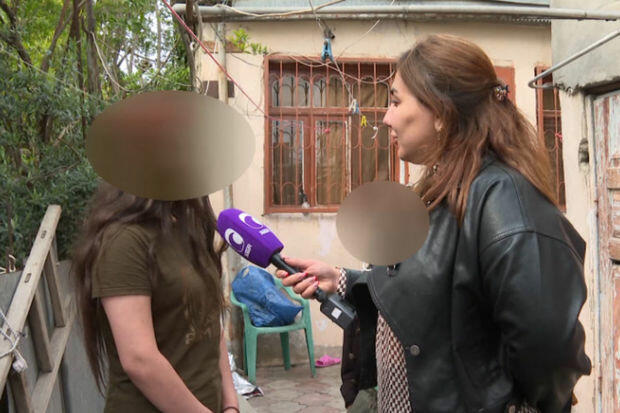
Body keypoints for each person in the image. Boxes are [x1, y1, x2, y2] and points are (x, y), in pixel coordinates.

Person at [277, 34, 591, 413]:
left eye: (396, 101)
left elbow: (548, 343)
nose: (387, 117)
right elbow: (437, 293)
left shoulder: (504, 200)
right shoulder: (442, 188)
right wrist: (344, 281)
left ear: (441, 113)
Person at [72, 182, 239, 413]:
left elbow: (209, 321)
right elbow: (140, 359)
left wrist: (230, 404)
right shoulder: (124, 241)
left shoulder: (187, 229)